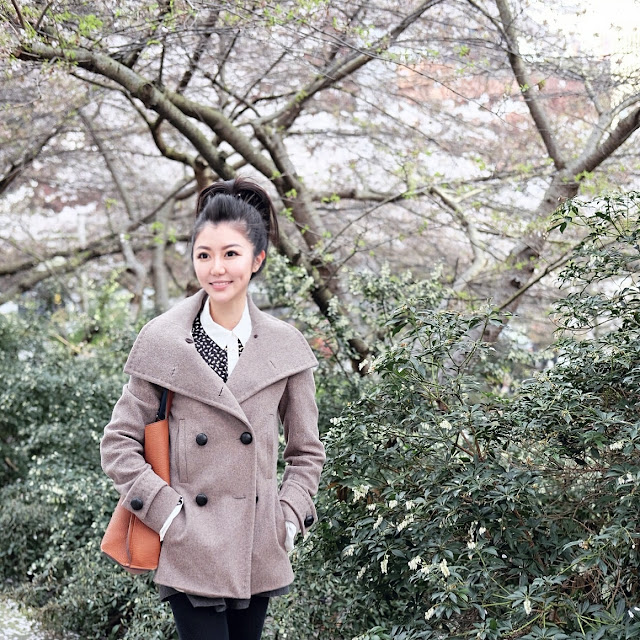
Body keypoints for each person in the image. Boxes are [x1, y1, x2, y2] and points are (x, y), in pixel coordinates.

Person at [100, 178, 325, 640]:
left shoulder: (285, 347)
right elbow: (118, 443)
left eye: (230, 254)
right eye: (204, 255)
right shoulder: (164, 341)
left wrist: (287, 516)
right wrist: (167, 515)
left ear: (257, 259)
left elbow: (306, 451)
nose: (216, 268)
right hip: (190, 542)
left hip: (256, 543)